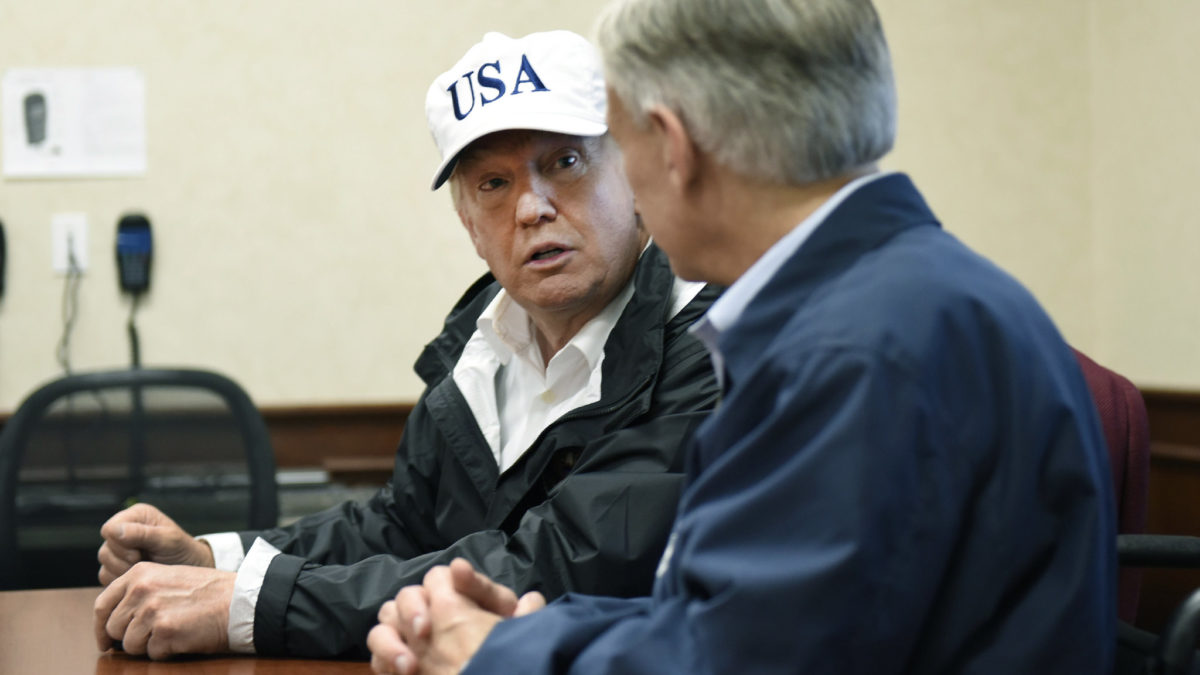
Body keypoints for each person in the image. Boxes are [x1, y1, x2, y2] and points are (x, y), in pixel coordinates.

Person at [366, 1, 1117, 673]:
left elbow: (739, 659)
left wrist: (499, 653)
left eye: (614, 144)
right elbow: (747, 614)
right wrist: (535, 625)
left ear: (672, 147)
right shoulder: (902, 298)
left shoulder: (853, 350)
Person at [92, 29, 721, 661]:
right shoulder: (480, 341)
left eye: (565, 163)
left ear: (637, 176)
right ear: (470, 226)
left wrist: (247, 604)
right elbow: (402, 525)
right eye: (493, 184)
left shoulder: (712, 338)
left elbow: (560, 566)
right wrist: (215, 560)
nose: (531, 207)